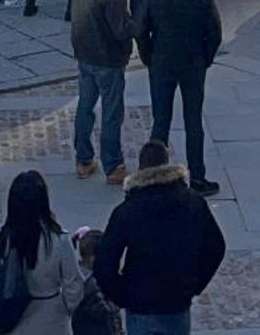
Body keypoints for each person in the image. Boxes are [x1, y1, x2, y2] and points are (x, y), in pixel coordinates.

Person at [94, 137, 228, 335]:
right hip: (177, 302)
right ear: (167, 164)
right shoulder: (193, 202)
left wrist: (122, 294)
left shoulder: (127, 210)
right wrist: (194, 284)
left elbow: (104, 263)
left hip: (141, 305)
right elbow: (216, 247)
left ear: (140, 169)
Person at [133, 0, 223, 195]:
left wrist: (147, 54)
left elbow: (140, 28)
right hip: (192, 62)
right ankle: (197, 176)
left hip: (161, 61)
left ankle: (152, 177)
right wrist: (206, 57)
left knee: (160, 121)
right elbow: (215, 32)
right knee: (193, 121)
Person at [0, 170, 84, 335]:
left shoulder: (1, 237)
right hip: (52, 319)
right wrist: (66, 309)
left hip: (12, 320)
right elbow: (74, 284)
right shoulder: (59, 238)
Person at [71, 0, 135, 185]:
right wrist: (137, 24)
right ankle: (113, 165)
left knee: (85, 107)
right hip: (108, 59)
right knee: (111, 113)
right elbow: (121, 29)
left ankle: (83, 159)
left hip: (85, 55)